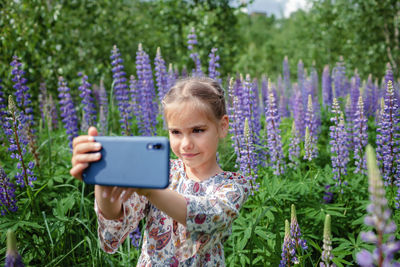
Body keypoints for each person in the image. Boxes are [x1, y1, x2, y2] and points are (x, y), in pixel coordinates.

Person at [70, 76, 251, 266]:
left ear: (222, 127)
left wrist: (150, 190)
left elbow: (209, 216)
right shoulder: (162, 171)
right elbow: (118, 219)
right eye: (176, 132)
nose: (186, 144)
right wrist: (104, 182)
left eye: (197, 130)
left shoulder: (233, 186)